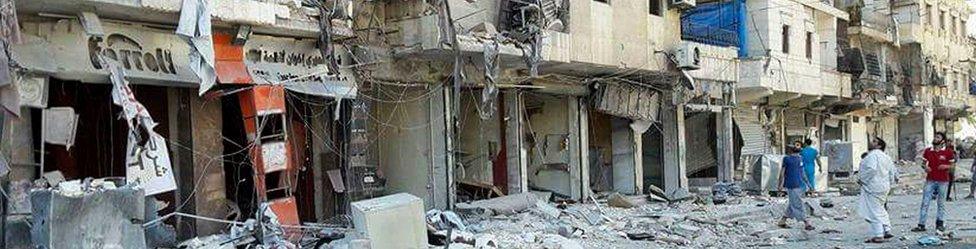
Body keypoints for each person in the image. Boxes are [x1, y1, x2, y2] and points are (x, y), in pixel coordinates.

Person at [912, 132, 955, 232]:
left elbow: (952, 166)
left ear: (942, 140)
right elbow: (923, 164)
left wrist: (946, 166)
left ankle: (940, 223)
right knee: (925, 202)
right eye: (935, 137)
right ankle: (921, 224)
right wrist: (925, 167)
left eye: (938, 137)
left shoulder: (948, 152)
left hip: (943, 180)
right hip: (930, 179)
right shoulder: (928, 151)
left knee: (941, 203)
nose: (935, 139)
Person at [858, 137, 896, 243]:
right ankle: (886, 229)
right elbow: (892, 172)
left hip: (873, 187)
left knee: (873, 211)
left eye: (874, 141)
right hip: (884, 186)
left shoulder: (873, 155)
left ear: (879, 146)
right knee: (880, 208)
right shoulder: (886, 157)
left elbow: (871, 169)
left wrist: (862, 179)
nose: (871, 142)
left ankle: (879, 235)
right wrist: (890, 183)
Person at [777, 145, 815, 231]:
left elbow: (782, 173)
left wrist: (780, 185)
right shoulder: (795, 159)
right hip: (795, 184)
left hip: (794, 184)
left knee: (793, 203)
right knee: (798, 204)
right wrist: (809, 185)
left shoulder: (790, 159)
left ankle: (782, 221)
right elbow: (803, 173)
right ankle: (807, 223)